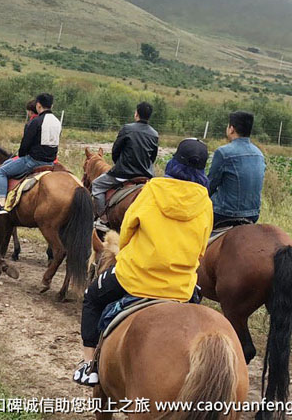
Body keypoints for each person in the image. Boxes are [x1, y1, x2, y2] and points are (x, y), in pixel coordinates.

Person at [73, 138, 214, 386]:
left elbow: (127, 232)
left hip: (136, 278)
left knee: (92, 298)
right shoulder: (205, 202)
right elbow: (202, 249)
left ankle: (89, 365)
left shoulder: (152, 190)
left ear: (174, 163)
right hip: (181, 286)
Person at [0, 93, 61, 217]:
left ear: (38, 105)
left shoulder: (36, 121)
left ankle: (1, 205)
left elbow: (25, 144)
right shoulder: (57, 122)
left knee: (1, 171)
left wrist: (22, 154)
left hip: (33, 161)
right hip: (50, 162)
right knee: (7, 163)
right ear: (51, 105)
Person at [91, 102, 159, 225]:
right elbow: (152, 157)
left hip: (124, 173)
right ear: (149, 116)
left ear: (136, 113)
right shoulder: (154, 134)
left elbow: (116, 150)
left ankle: (102, 218)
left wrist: (118, 164)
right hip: (146, 175)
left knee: (97, 185)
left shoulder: (127, 128)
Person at [207, 111, 265, 228]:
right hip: (253, 214)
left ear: (231, 129)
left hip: (224, 214)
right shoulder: (259, 154)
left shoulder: (223, 152)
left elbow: (211, 185)